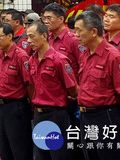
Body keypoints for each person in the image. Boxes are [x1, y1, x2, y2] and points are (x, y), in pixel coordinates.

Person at [75, 11, 120, 160]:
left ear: (94, 31)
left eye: (79, 30)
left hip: (105, 116)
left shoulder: (113, 56)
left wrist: (115, 109)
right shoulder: (85, 53)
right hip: (86, 116)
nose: (76, 34)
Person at [27, 21, 78, 160]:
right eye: (27, 37)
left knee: (58, 155)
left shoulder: (59, 60)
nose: (28, 41)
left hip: (56, 115)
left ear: (44, 36)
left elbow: (73, 89)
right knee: (41, 154)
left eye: (32, 36)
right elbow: (31, 86)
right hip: (39, 115)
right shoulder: (32, 60)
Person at [0, 22, 32, 160]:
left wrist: (30, 107)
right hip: (1, 106)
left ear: (9, 36)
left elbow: (29, 85)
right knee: (5, 147)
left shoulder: (21, 56)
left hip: (16, 107)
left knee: (19, 147)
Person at [42, 3, 81, 79]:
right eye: (44, 18)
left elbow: (83, 65)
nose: (46, 21)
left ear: (61, 19)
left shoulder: (73, 40)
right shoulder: (47, 38)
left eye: (49, 18)